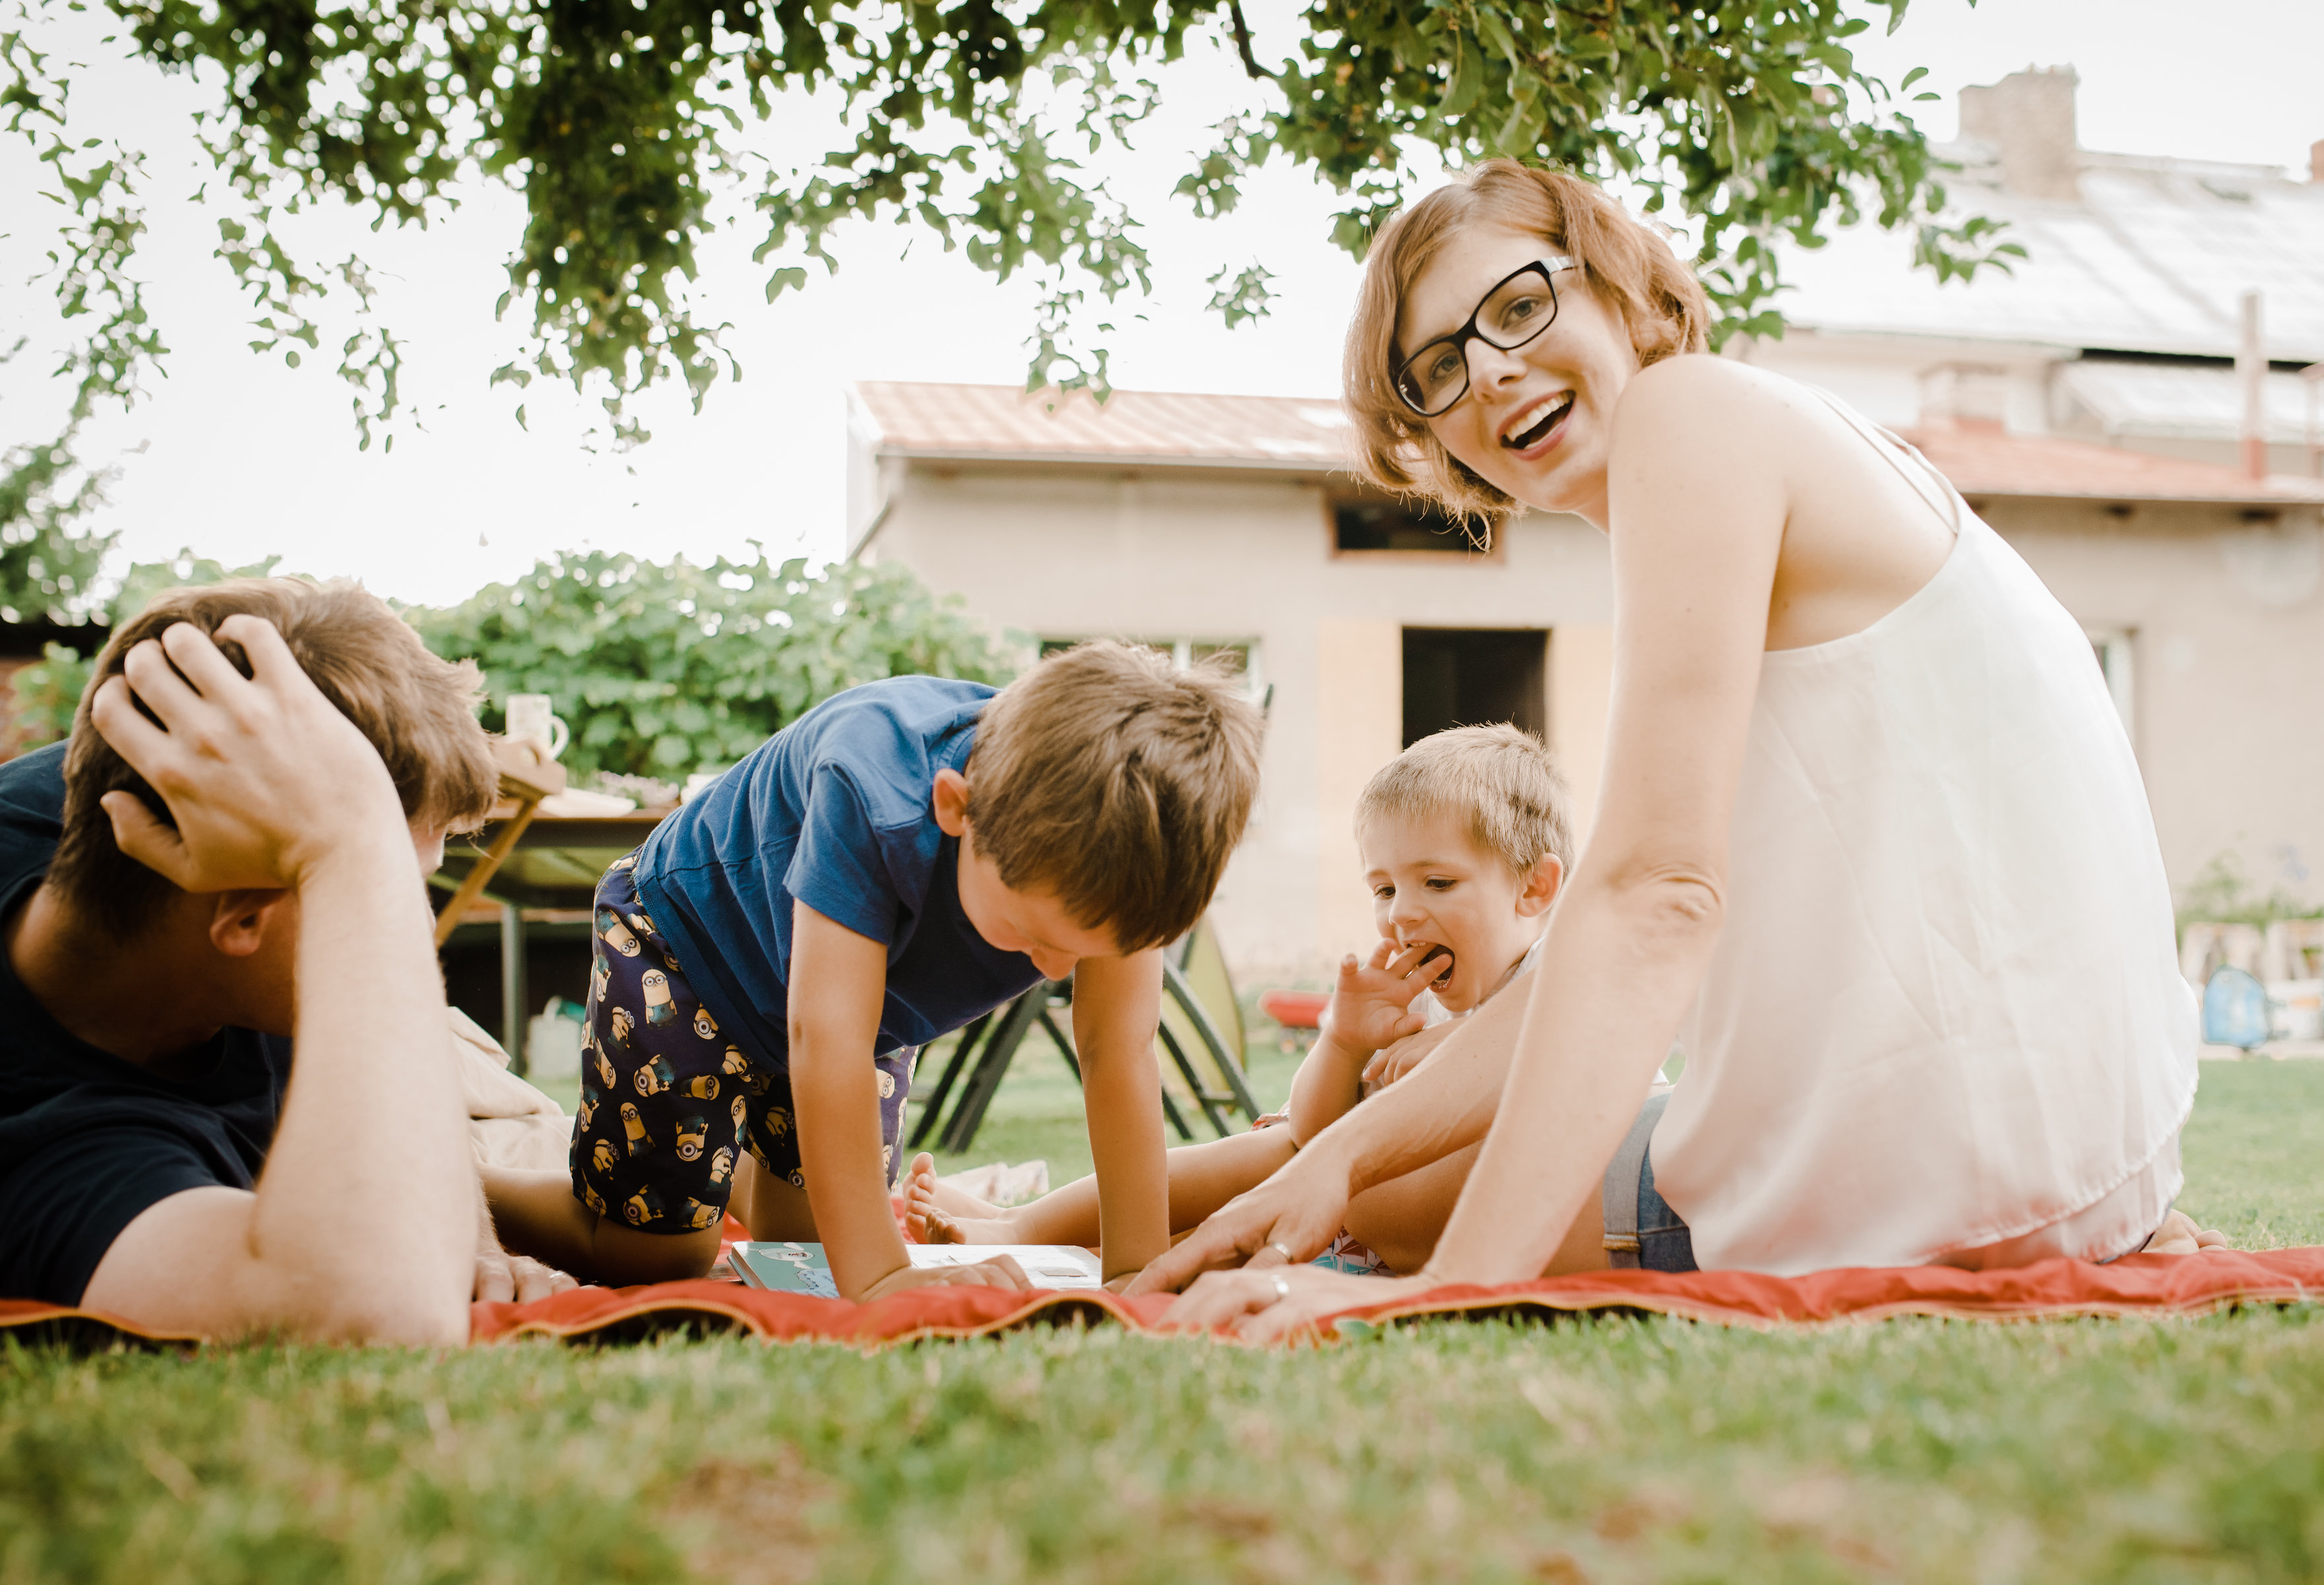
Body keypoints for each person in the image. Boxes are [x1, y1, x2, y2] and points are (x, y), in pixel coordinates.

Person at [1144, 160, 2220, 1337]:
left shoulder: (1692, 413)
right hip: (2075, 1172)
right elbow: (1604, 940)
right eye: (1440, 367)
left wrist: (1441, 1293)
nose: (1491, 370)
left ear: (1630, 291)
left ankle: (1063, 1226)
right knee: (1355, 1161)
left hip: (1931, 1189)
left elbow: (1656, 898)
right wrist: (1334, 1154)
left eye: (1517, 307)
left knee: (1402, 1203)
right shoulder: (1798, 451)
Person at [488, 641, 1265, 1299]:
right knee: (659, 1260)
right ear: (956, 808)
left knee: (804, 1255)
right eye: (1029, 933)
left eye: (1086, 952)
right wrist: (885, 1283)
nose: (1056, 968)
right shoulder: (873, 787)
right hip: (685, 952)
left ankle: (716, 1167)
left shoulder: (1134, 852)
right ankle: (468, 1181)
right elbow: (824, 1038)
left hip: (862, 1004)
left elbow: (1117, 1049)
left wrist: (1136, 1271)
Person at [0, 580, 569, 1340]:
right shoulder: (53, 1147)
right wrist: (349, 851)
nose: (405, 928)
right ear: (242, 913)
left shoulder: (145, 781)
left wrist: (462, 1219)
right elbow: (370, 1317)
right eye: (388, 891)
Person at [901, 724, 1573, 1270]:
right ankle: (1034, 1224)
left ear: (1535, 889)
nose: (1403, 914)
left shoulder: (1569, 979)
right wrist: (1342, 1041)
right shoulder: (1414, 998)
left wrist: (1455, 1045)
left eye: (1438, 883)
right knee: (1275, 1149)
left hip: (1427, 1214)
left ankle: (1036, 1225)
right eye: (1385, 889)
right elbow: (1312, 1132)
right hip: (1342, 1210)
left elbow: (1572, 1055)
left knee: (1262, 1175)